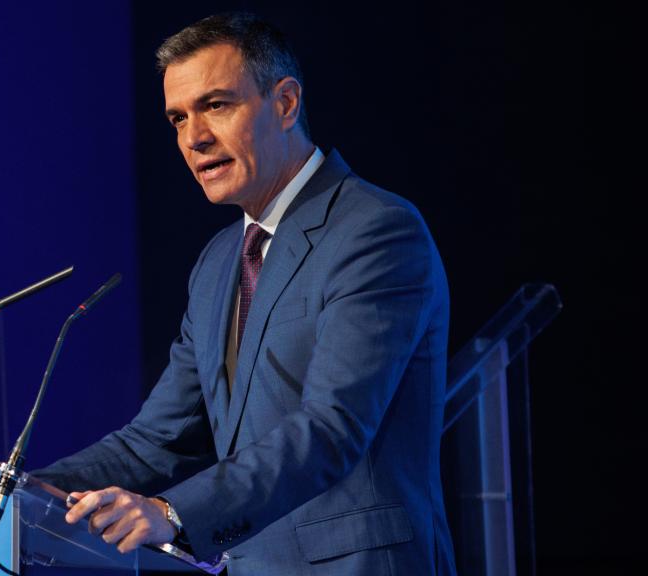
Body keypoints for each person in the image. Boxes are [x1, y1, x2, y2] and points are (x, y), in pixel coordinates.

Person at [32, 12, 456, 575]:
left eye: (216, 105)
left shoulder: (375, 230)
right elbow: (156, 440)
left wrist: (171, 511)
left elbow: (331, 429)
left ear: (284, 104)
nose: (193, 138)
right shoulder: (217, 263)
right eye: (177, 118)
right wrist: (23, 494)